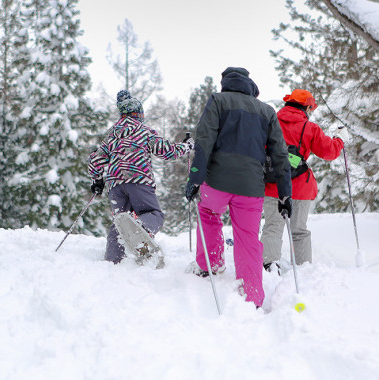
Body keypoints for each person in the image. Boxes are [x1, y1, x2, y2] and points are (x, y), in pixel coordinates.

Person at [185, 67, 292, 308]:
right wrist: (285, 194)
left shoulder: (218, 101)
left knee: (208, 212)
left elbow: (204, 142)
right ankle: (253, 296)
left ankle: (210, 265)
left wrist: (195, 180)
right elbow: (280, 155)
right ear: (250, 86)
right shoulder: (267, 111)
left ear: (226, 84)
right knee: (247, 237)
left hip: (216, 182)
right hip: (251, 187)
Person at [88, 90, 194, 264]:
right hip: (138, 181)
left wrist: (97, 180)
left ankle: (113, 261)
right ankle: (141, 229)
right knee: (153, 214)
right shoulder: (144, 131)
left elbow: (95, 161)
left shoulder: (112, 135)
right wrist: (186, 146)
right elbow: (166, 151)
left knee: (120, 224)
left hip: (115, 186)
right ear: (138, 113)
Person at [261, 89, 348, 273]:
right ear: (307, 107)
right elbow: (329, 152)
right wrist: (340, 140)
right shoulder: (309, 128)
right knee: (299, 230)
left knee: (272, 227)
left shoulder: (270, 122)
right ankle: (303, 270)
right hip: (299, 187)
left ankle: (269, 265)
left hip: (272, 185)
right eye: (311, 109)